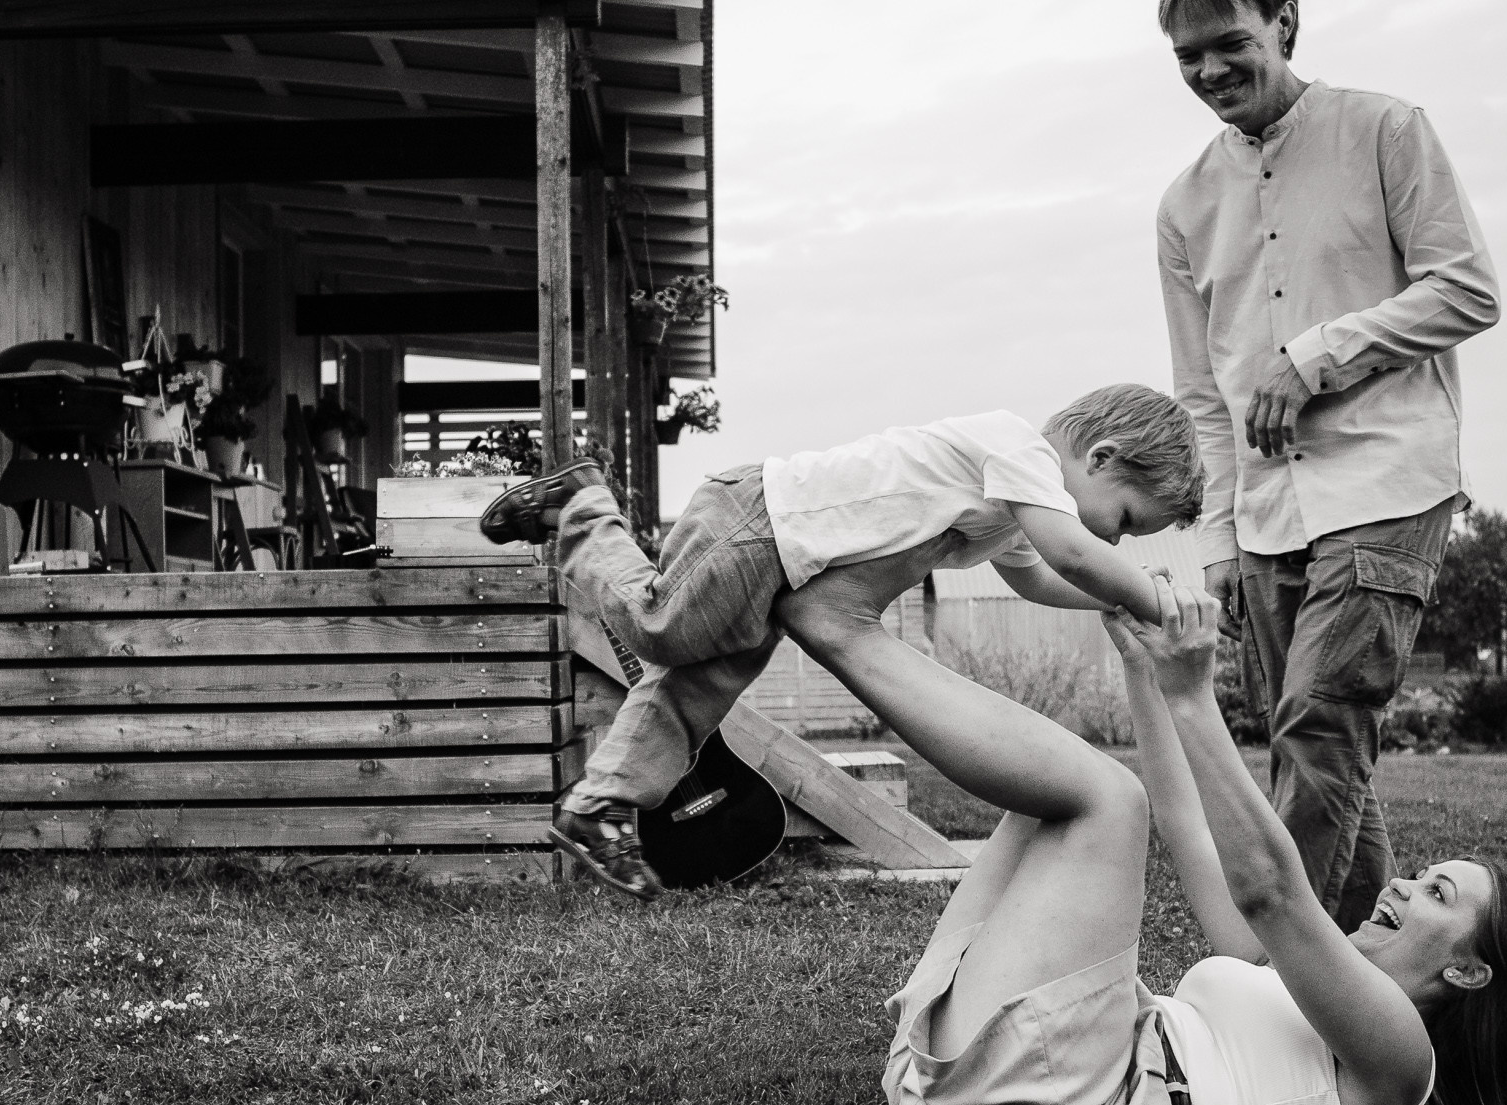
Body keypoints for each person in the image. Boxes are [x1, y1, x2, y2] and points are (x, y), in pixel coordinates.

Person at [773, 547, 1507, 1105]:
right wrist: (1146, 671)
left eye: (1437, 891)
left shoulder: (1401, 1063)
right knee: (1045, 790)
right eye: (1422, 872)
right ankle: (842, 623)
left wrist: (1196, 695)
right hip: (969, 1089)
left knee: (1103, 797)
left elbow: (1271, 890)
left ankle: (841, 628)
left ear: (1470, 971)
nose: (1401, 882)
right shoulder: (1289, 980)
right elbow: (1185, 821)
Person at [479, 384, 1204, 900]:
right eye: (1127, 520)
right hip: (761, 518)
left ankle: (599, 804)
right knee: (658, 627)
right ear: (1102, 457)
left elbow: (1041, 579)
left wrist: (1119, 605)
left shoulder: (1014, 512)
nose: (1117, 542)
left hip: (786, 562)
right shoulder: (1018, 449)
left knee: (698, 690)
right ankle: (581, 505)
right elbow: (1072, 554)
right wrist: (1159, 601)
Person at [1157, 0, 1502, 932]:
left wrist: (1315, 357)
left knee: (1316, 732)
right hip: (1266, 513)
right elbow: (1201, 395)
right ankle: (1379, 995)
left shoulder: (1386, 130)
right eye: (1186, 57)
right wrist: (1218, 540)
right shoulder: (1182, 207)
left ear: (1285, 23)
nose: (1209, 71)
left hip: (1388, 479)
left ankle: (1266, 981)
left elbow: (1467, 289)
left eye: (1228, 44)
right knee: (1317, 746)